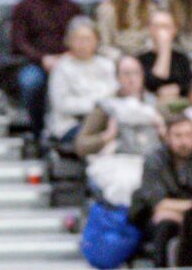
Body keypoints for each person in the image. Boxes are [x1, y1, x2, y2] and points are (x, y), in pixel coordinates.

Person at [69, 52, 163, 206]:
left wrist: (163, 132)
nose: (132, 78)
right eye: (126, 74)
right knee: (125, 184)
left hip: (150, 160)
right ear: (118, 78)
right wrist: (107, 136)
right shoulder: (106, 107)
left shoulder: (156, 105)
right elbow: (80, 145)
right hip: (118, 162)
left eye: (136, 73)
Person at [7, 0, 80, 134]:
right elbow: (18, 42)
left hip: (69, 63)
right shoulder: (24, 7)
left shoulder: (73, 8)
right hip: (35, 64)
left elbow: (82, 38)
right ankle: (37, 132)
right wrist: (43, 59)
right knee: (31, 82)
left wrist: (66, 58)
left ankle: (72, 134)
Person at [130, 111, 192, 251]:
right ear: (167, 137)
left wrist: (183, 212)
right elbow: (158, 202)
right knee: (166, 223)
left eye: (188, 135)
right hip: (155, 219)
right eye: (178, 135)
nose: (184, 141)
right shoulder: (154, 160)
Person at [45, 17, 115, 141]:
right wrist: (95, 105)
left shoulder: (107, 65)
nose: (83, 44)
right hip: (71, 124)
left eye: (87, 39)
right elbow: (62, 105)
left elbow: (113, 94)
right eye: (78, 39)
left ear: (96, 40)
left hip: (105, 121)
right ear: (69, 41)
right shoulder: (62, 67)